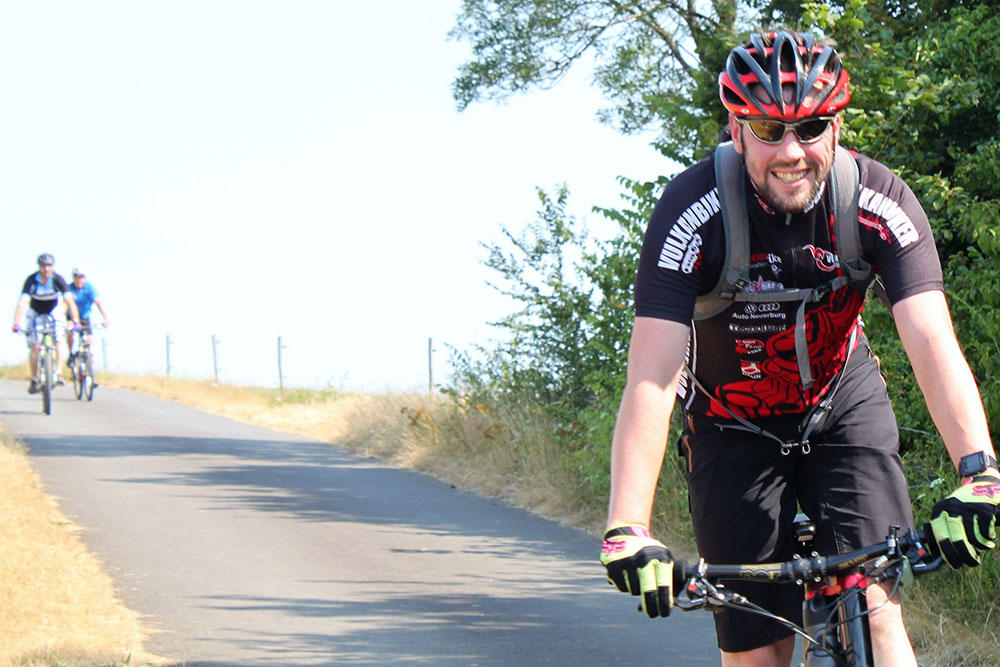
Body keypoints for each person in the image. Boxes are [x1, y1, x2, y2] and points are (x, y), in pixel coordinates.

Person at [598, 29, 999, 666]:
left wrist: (979, 473)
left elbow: (931, 338)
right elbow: (652, 378)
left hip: (842, 405)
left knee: (878, 612)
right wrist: (628, 525)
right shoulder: (690, 211)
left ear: (835, 129)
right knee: (759, 652)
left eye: (810, 128)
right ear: (737, 132)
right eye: (768, 129)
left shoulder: (877, 200)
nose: (792, 151)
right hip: (731, 423)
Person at [12, 253, 81, 393]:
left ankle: (58, 373)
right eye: (43, 266)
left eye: (49, 266)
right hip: (36, 312)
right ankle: (33, 378)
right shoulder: (32, 280)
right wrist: (16, 323)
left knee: (59, 340)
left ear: (53, 267)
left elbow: (69, 301)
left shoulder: (57, 280)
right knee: (35, 346)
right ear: (39, 267)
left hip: (53, 311)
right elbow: (22, 302)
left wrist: (76, 321)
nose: (46, 269)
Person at [66, 268, 110, 366]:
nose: (79, 280)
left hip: (84, 317)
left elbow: (99, 303)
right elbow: (64, 304)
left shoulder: (89, 288)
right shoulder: (69, 288)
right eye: (77, 278)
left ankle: (88, 364)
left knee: (89, 339)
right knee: (70, 333)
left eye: (81, 278)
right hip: (71, 317)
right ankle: (71, 354)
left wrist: (106, 318)